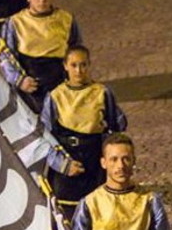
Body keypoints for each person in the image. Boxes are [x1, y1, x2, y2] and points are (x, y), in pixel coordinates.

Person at [41, 44, 127, 217]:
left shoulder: (101, 93)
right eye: (74, 65)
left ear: (89, 65)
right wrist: (62, 164)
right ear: (65, 66)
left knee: (98, 210)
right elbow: (43, 137)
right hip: (68, 161)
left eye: (83, 65)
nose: (79, 70)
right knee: (67, 214)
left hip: (94, 160)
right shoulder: (56, 96)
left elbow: (116, 127)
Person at [0, 0, 82, 112]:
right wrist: (19, 80)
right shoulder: (15, 23)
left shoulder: (66, 19)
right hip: (30, 85)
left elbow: (76, 51)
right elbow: (6, 56)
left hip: (60, 82)